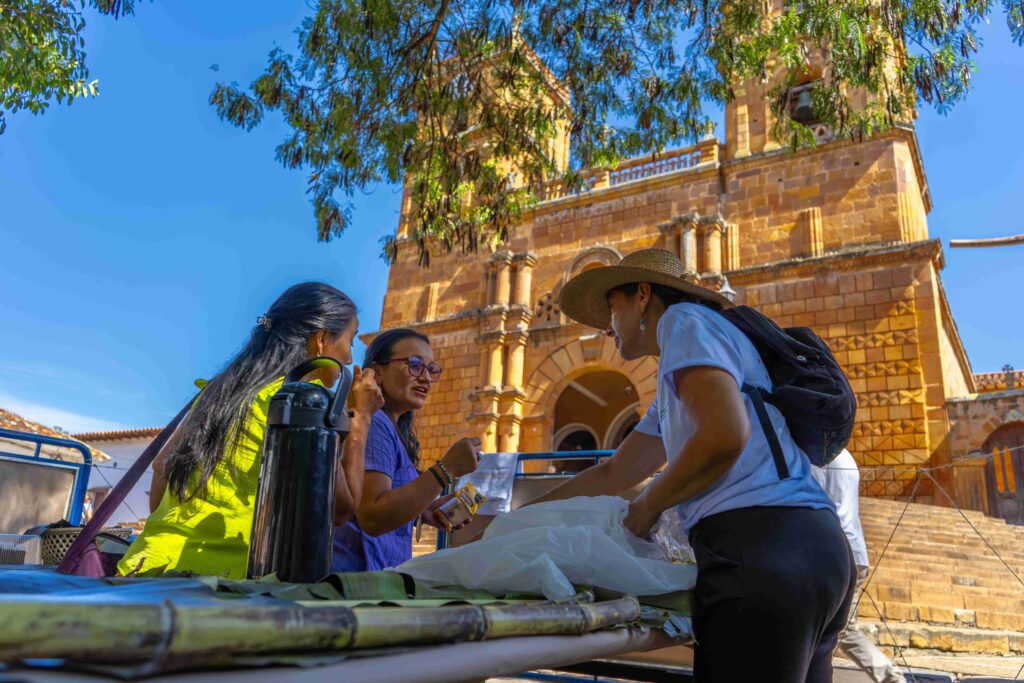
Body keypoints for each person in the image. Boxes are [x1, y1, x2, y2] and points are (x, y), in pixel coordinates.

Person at [532, 247, 855, 682]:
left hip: (759, 550)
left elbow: (724, 435)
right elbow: (612, 472)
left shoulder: (682, 321)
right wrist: (522, 517)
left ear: (643, 295)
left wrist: (647, 507)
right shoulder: (682, 373)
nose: (609, 327)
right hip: (816, 547)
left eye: (612, 307)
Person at [118, 282, 384, 578]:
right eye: (350, 340)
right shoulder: (301, 400)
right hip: (219, 587)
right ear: (321, 340)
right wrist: (361, 417)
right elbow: (339, 509)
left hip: (145, 566)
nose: (349, 358)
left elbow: (162, 466)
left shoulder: (220, 391)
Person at [332, 328, 482, 571]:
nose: (425, 378)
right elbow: (372, 515)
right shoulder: (376, 422)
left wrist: (422, 509)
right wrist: (446, 470)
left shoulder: (387, 426)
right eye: (414, 364)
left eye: (431, 370)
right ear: (377, 372)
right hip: (358, 579)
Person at [813, 450, 906, 683]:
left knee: (836, 629)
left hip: (834, 550)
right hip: (855, 550)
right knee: (834, 628)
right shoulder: (846, 458)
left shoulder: (818, 458)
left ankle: (891, 676)